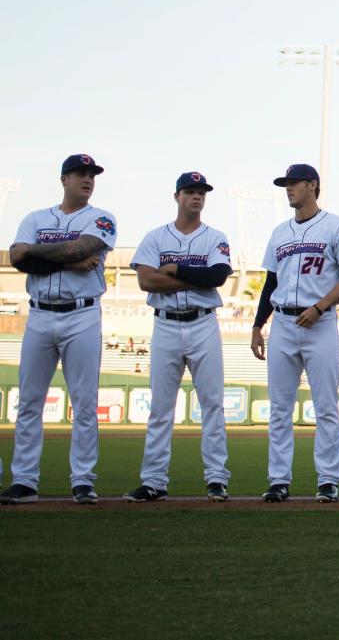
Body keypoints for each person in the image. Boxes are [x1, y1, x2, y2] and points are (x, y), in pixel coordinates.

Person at [0, 154, 116, 506]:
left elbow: (81, 247)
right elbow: (16, 259)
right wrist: (67, 259)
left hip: (81, 314)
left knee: (84, 402)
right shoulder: (35, 217)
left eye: (92, 175)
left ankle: (83, 479)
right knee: (30, 400)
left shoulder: (101, 218)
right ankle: (24, 481)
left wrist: (37, 252)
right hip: (39, 315)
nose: (88, 179)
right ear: (64, 179)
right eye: (80, 174)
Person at [250, 164, 339, 503]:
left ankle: (328, 479)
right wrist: (257, 325)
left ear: (313, 185)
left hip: (320, 323)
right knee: (280, 407)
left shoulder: (336, 225)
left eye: (294, 183)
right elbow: (272, 282)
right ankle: (279, 479)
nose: (288, 189)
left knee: (326, 405)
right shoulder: (279, 232)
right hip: (283, 321)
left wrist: (322, 306)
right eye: (286, 184)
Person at [123, 172, 233, 503]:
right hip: (166, 325)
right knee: (160, 406)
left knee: (212, 403)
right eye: (190, 191)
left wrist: (175, 270)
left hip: (203, 324)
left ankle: (216, 478)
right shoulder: (155, 237)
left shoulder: (215, 237)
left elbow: (218, 276)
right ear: (177, 196)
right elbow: (147, 282)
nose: (196, 197)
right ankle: (154, 480)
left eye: (201, 192)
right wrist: (194, 280)